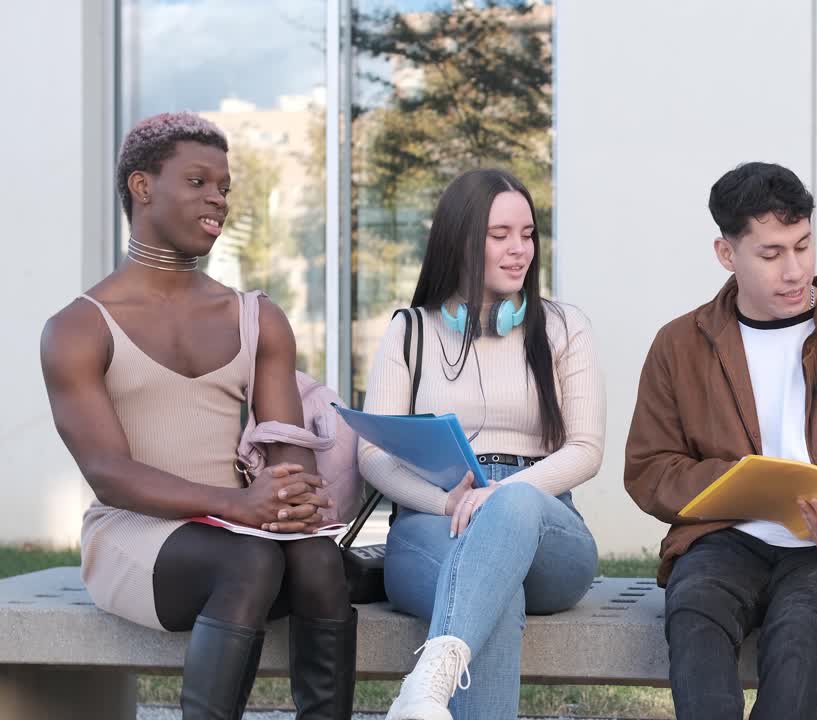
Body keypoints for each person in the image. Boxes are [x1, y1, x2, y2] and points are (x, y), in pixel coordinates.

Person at [40, 112, 356, 719]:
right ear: (142, 186)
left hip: (239, 532)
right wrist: (236, 505)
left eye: (225, 187)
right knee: (250, 557)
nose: (218, 199)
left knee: (317, 557)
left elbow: (287, 452)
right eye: (198, 181)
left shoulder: (257, 317)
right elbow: (108, 473)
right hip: (134, 534)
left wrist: (294, 500)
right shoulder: (78, 328)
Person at [623, 162, 817, 719]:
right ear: (727, 254)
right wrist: (740, 484)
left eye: (803, 246)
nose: (794, 270)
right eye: (771, 254)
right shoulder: (679, 344)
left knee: (800, 629)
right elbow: (649, 468)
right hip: (726, 537)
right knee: (696, 609)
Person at [359, 169, 604, 720]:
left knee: (511, 504)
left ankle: (422, 686)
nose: (520, 250)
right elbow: (372, 453)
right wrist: (446, 502)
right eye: (500, 235)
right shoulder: (411, 330)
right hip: (435, 520)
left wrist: (501, 496)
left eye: (529, 233)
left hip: (545, 527)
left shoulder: (566, 328)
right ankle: (426, 692)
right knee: (496, 594)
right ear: (461, 239)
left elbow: (586, 448)